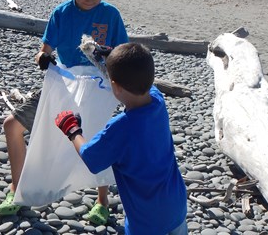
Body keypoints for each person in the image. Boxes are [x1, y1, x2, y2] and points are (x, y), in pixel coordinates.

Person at [0, 0, 129, 226]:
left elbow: (121, 54)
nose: (90, 1)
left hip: (98, 87)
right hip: (65, 82)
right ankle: (16, 189)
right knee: (12, 125)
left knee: (98, 139)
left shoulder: (110, 15)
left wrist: (106, 56)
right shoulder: (61, 13)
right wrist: (43, 58)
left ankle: (102, 200)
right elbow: (44, 50)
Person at [54, 43, 188, 235]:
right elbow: (140, 79)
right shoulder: (158, 101)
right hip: (176, 205)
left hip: (145, 219)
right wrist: (112, 60)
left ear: (115, 86)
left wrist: (72, 130)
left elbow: (90, 158)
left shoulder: (121, 127)